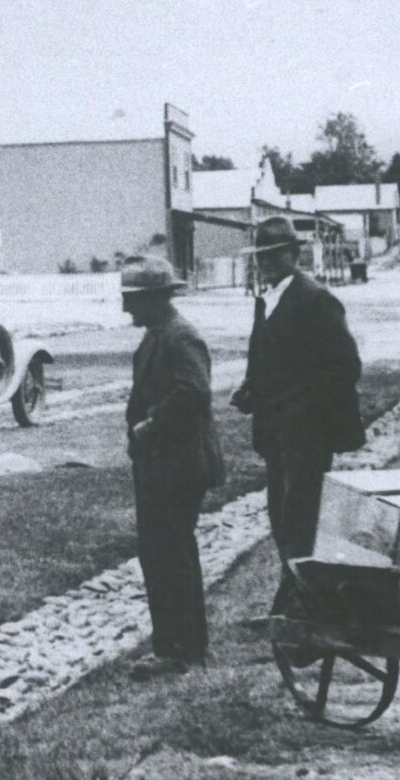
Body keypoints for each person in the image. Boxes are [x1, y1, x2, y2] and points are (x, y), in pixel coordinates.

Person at [231, 216, 366, 622]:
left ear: (295, 254)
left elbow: (346, 367)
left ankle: (304, 605)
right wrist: (251, 389)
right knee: (280, 518)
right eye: (262, 257)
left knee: (301, 519)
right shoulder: (267, 300)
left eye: (275, 255)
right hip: (274, 434)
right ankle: (299, 598)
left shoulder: (315, 299)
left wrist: (302, 409)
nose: (267, 263)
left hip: (306, 436)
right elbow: (266, 361)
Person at [121, 256, 225, 679]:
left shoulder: (180, 338)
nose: (126, 309)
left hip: (177, 467)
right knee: (164, 554)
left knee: (170, 555)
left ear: (154, 299)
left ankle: (180, 649)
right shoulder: (160, 334)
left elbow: (193, 394)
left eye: (132, 300)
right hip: (164, 466)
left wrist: (148, 427)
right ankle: (178, 644)